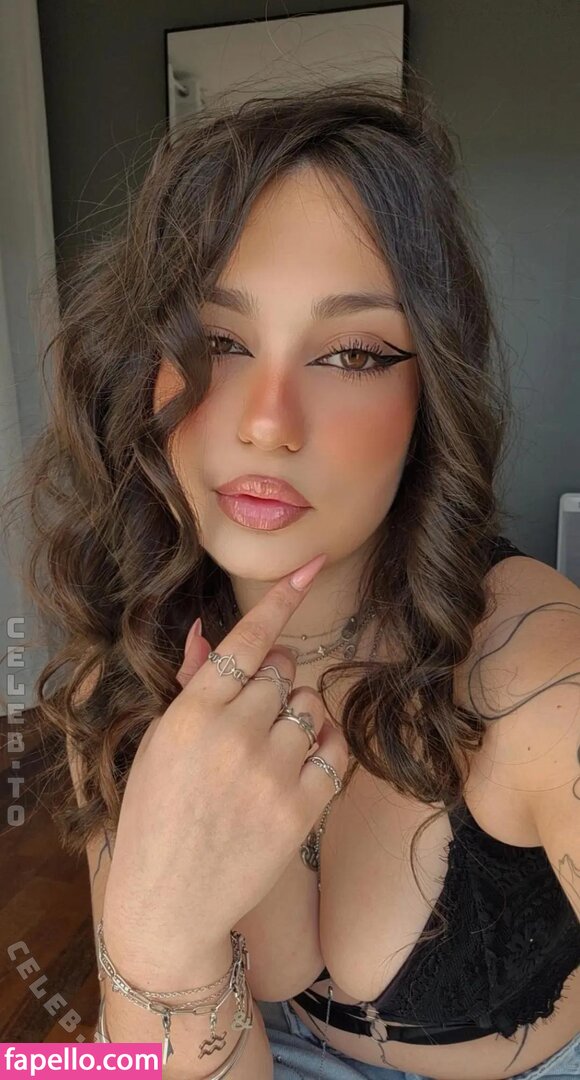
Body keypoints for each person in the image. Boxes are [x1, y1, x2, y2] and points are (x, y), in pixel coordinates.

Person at [10, 76, 580, 1079]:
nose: (267, 421)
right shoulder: (135, 651)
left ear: (431, 397)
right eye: (218, 341)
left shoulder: (546, 689)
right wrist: (159, 946)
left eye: (352, 354)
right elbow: (155, 1044)